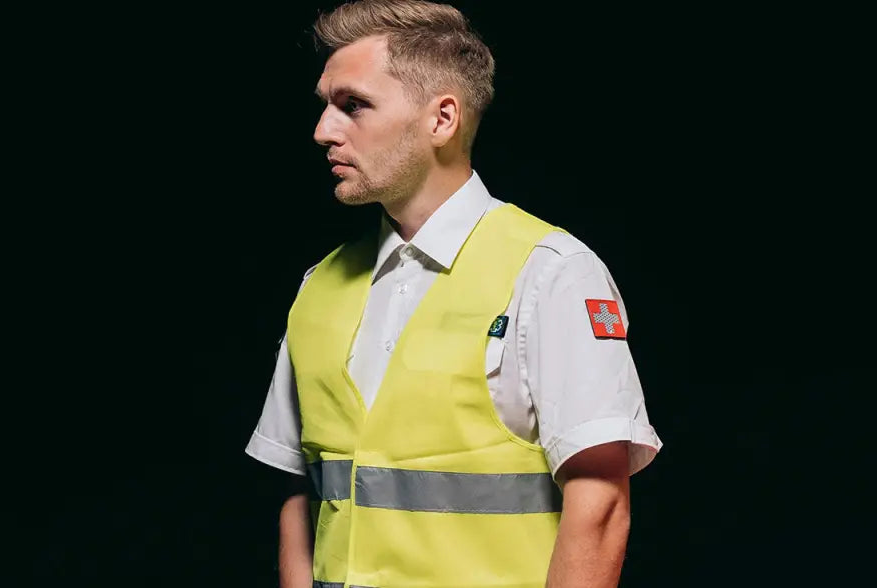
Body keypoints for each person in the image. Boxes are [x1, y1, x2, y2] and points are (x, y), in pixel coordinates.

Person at [242, 2, 660, 586]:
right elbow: (296, 488)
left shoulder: (551, 274)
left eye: (353, 105)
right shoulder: (318, 288)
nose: (323, 131)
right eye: (325, 106)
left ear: (442, 119)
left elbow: (601, 504)